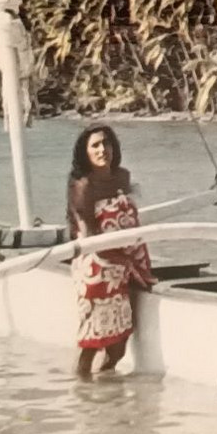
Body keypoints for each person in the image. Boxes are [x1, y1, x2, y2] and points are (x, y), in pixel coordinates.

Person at [66, 125, 155, 378]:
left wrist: (138, 265)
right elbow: (90, 237)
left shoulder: (122, 177)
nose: (102, 149)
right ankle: (82, 395)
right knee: (91, 343)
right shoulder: (82, 186)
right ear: (85, 152)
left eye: (106, 143)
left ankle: (106, 399)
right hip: (98, 269)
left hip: (126, 267)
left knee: (118, 348)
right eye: (94, 145)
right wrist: (127, 264)